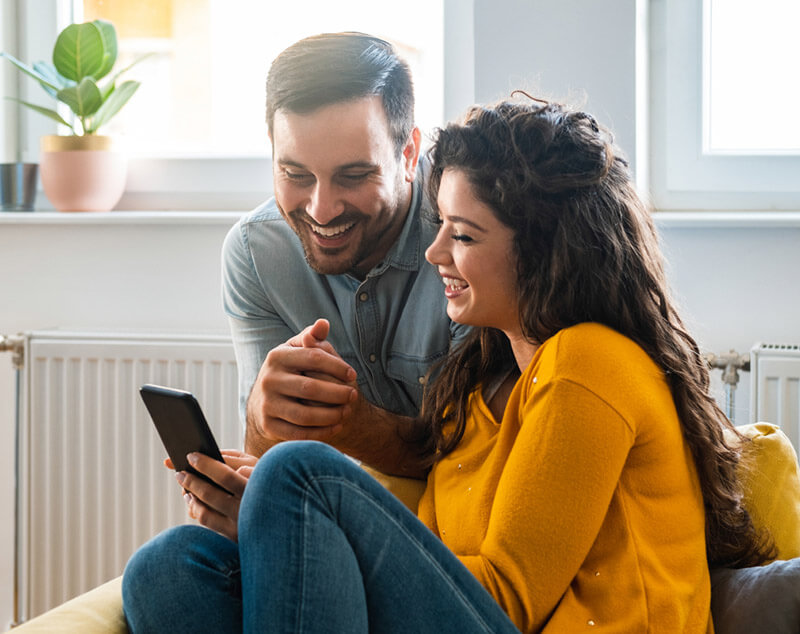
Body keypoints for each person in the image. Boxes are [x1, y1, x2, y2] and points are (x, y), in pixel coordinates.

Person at [123, 97, 777, 632]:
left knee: (302, 476)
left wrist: (293, 503)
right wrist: (269, 525)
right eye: (440, 224)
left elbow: (508, 604)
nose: (435, 250)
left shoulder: (589, 362)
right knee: (171, 565)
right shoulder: (476, 390)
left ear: (546, 253)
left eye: (462, 234)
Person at [221, 30, 463, 489]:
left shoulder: (467, 233)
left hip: (447, 526)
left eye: (352, 176)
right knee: (168, 557)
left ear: (408, 154)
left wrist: (352, 426)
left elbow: (478, 461)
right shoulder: (255, 253)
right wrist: (260, 420)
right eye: (295, 174)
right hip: (332, 510)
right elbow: (271, 464)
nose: (321, 209)